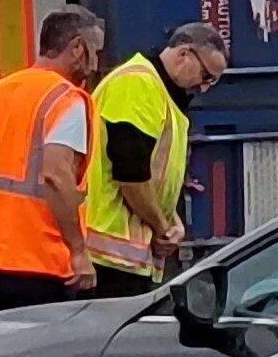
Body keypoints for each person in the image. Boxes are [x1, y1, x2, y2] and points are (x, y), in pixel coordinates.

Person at [0, 7, 105, 314]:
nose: (96, 64)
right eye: (96, 51)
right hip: (40, 266)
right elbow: (55, 176)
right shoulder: (65, 99)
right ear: (77, 48)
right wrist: (78, 251)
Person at [84, 16, 229, 292]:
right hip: (107, 256)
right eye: (206, 75)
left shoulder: (160, 93)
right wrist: (162, 227)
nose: (205, 86)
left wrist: (172, 221)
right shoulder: (138, 85)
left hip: (123, 256)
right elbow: (131, 174)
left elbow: (157, 173)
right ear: (184, 54)